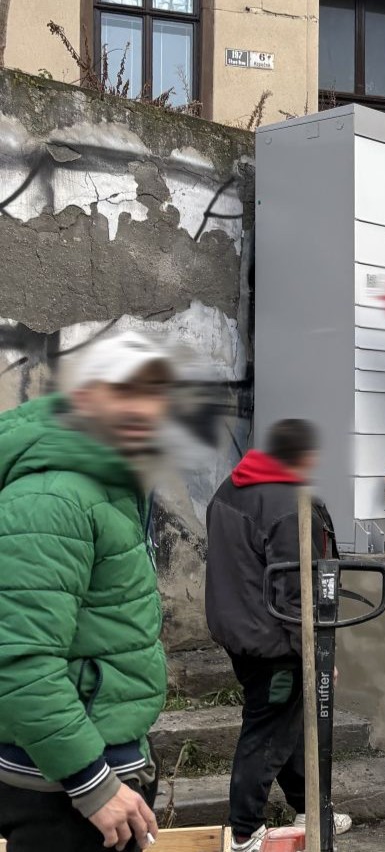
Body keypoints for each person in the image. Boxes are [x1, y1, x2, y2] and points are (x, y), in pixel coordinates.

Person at [0, 331, 174, 852]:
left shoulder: (106, 484)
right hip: (62, 788)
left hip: (95, 766)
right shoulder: (53, 497)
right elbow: (21, 659)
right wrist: (93, 785)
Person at [205, 419, 352, 852]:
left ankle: (309, 808)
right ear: (303, 458)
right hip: (275, 643)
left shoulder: (233, 486)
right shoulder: (291, 507)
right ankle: (245, 832)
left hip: (239, 632)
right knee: (267, 732)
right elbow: (296, 593)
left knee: (288, 723)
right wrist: (318, 654)